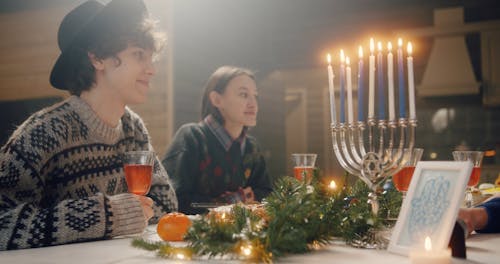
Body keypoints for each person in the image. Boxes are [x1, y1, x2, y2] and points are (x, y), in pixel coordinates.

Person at [0, 0, 177, 250]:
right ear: (97, 58)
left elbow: (166, 202)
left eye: (151, 58)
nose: (152, 69)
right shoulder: (43, 132)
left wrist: (125, 214)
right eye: (139, 55)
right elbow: (3, 223)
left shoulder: (133, 128)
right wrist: (108, 215)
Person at [162, 66, 272, 214]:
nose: (253, 104)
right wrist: (234, 201)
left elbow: (267, 194)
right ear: (217, 99)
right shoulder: (192, 137)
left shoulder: (251, 147)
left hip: (241, 234)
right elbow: (174, 200)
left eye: (255, 96)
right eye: (244, 95)